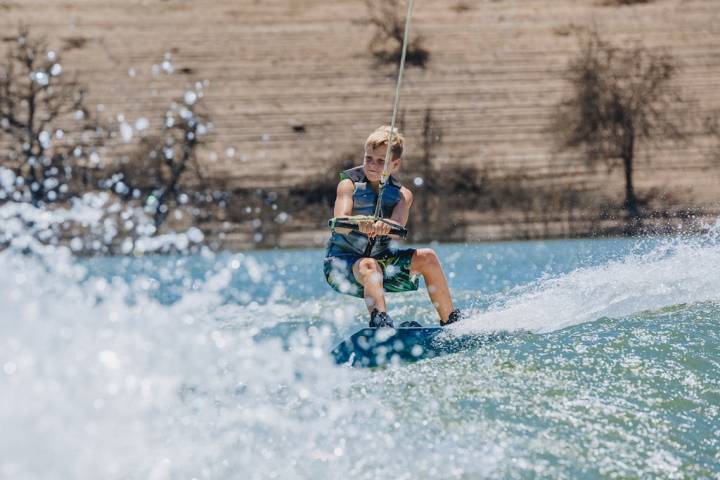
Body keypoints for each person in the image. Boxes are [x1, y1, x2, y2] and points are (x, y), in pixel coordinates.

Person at [324, 125, 463, 328]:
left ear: (395, 165)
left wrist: (385, 225)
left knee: (428, 257)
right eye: (368, 158)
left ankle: (450, 321)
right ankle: (380, 323)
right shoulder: (348, 185)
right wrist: (360, 222)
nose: (372, 165)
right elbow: (340, 221)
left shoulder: (402, 194)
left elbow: (398, 227)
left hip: (383, 266)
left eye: (381, 161)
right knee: (369, 265)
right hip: (342, 267)